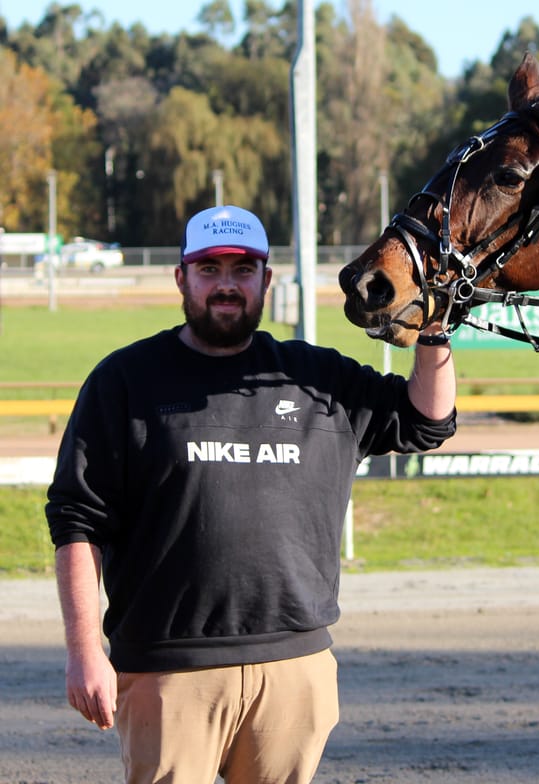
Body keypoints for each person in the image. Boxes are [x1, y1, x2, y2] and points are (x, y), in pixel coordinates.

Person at [46, 204, 457, 783]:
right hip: (169, 670)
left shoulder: (316, 377)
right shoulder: (124, 381)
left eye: (242, 270)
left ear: (266, 280)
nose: (226, 285)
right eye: (209, 269)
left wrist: (435, 330)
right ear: (181, 278)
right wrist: (84, 650)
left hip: (293, 668)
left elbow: (425, 420)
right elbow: (77, 521)